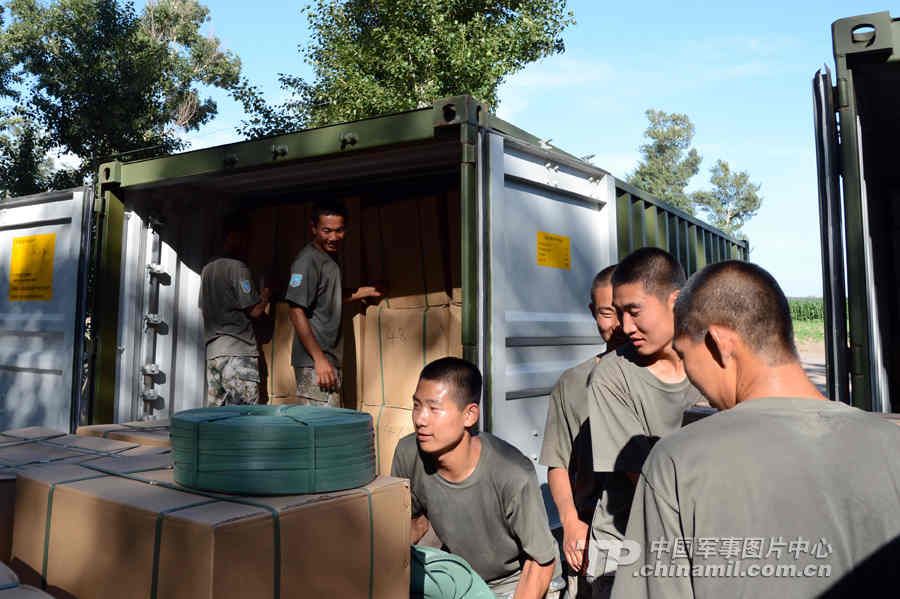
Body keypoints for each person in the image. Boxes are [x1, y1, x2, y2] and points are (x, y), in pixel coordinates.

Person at [611, 261, 900, 599]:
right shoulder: (890, 443)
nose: (692, 375)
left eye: (685, 355)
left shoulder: (677, 462)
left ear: (719, 344)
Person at [392, 357, 562, 599]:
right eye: (417, 405)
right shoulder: (409, 452)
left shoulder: (512, 473)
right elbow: (412, 523)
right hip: (465, 576)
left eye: (433, 408)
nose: (420, 419)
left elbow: (541, 562)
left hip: (518, 580)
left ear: (470, 415)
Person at [585, 248, 702, 592]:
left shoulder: (709, 364)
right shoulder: (612, 377)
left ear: (676, 301)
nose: (625, 327)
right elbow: (645, 480)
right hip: (628, 544)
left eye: (634, 312)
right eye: (619, 313)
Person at [540, 265, 628, 598]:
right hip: (593, 533)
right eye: (607, 313)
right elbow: (557, 461)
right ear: (593, 312)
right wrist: (570, 521)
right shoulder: (573, 383)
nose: (618, 325)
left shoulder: (673, 377)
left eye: (625, 312)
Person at [285, 200, 381, 406]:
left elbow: (326, 296)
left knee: (328, 427)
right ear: (314, 229)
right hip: (316, 362)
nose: (333, 237)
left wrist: (364, 291)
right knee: (322, 430)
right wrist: (319, 359)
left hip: (327, 359)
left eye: (339, 231)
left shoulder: (328, 259)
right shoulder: (307, 261)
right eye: (326, 231)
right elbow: (295, 310)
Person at [199, 212, 271, 406]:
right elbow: (254, 311)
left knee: (217, 419)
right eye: (245, 238)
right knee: (244, 418)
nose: (248, 244)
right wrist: (266, 294)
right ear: (233, 236)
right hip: (238, 354)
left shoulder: (207, 270)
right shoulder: (238, 268)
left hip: (214, 355)